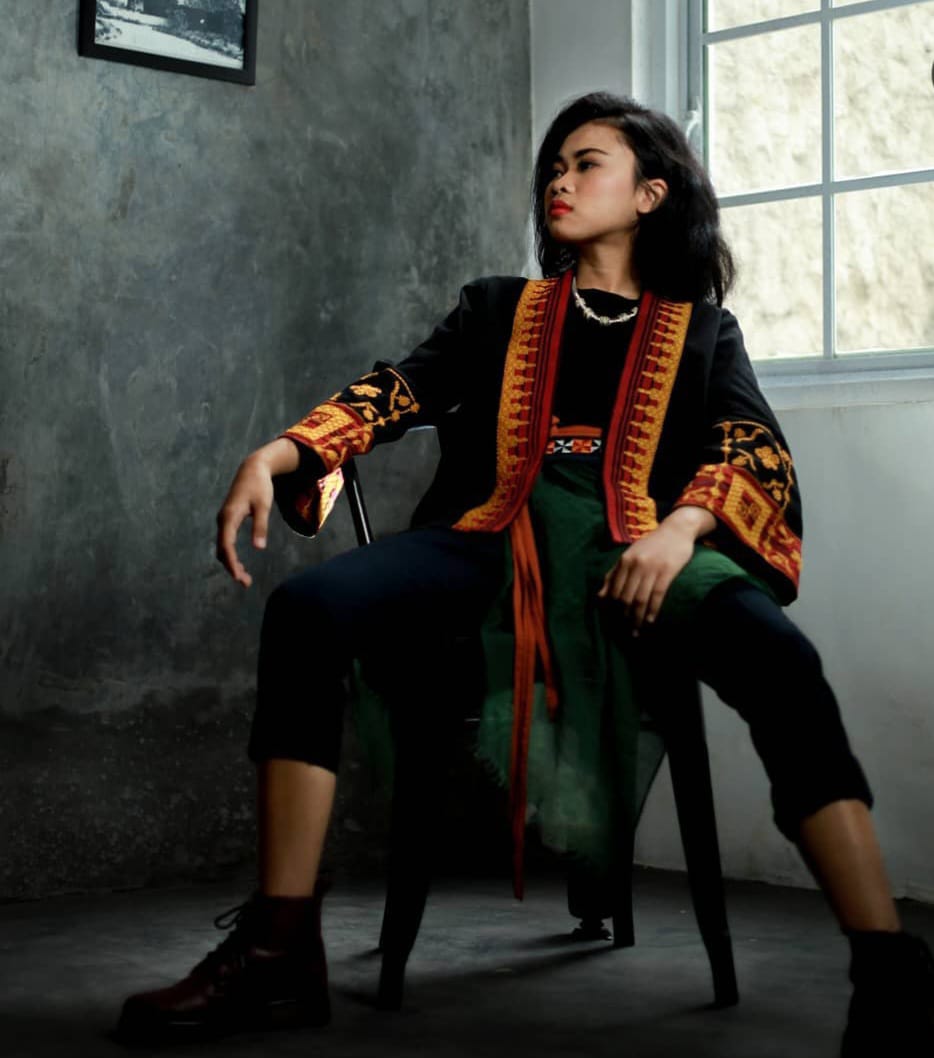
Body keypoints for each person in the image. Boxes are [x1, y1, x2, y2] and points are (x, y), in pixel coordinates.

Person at [113, 92, 934, 1055]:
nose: (559, 179)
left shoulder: (703, 331)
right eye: (553, 165)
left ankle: (887, 969)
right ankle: (278, 949)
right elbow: (398, 391)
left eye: (586, 163)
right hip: (489, 535)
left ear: (650, 193)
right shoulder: (498, 307)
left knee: (783, 661)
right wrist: (279, 452)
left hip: (637, 546)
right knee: (305, 610)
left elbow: (753, 449)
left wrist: (679, 531)